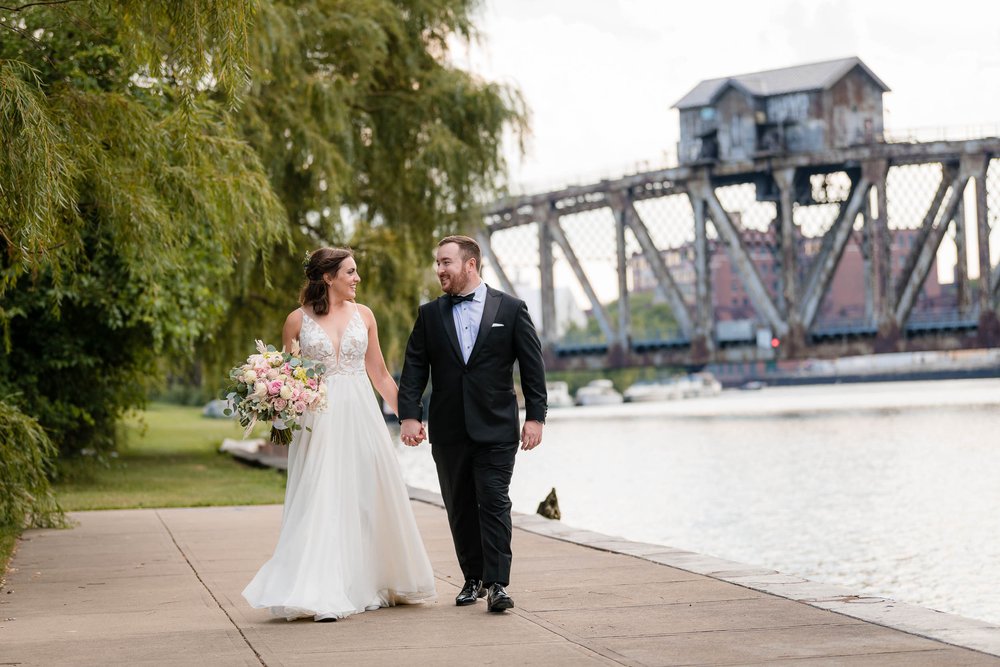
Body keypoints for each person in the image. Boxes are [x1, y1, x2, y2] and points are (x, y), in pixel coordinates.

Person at [243, 248, 436, 622]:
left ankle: (367, 580)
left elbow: (380, 375)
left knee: (365, 493)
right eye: (350, 271)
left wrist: (409, 417)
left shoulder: (364, 316)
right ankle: (321, 589)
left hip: (361, 413)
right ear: (328, 277)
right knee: (321, 495)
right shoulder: (296, 321)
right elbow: (288, 377)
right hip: (318, 418)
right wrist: (276, 405)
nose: (357, 278)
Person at [397, 235, 547, 613]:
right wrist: (410, 415)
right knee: (460, 505)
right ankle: (473, 578)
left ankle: (498, 584)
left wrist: (536, 418)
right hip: (448, 429)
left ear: (470, 264)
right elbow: (414, 367)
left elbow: (532, 366)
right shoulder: (429, 314)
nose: (439, 270)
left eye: (446, 262)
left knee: (494, 501)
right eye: (437, 262)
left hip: (496, 427)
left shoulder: (511, 309)